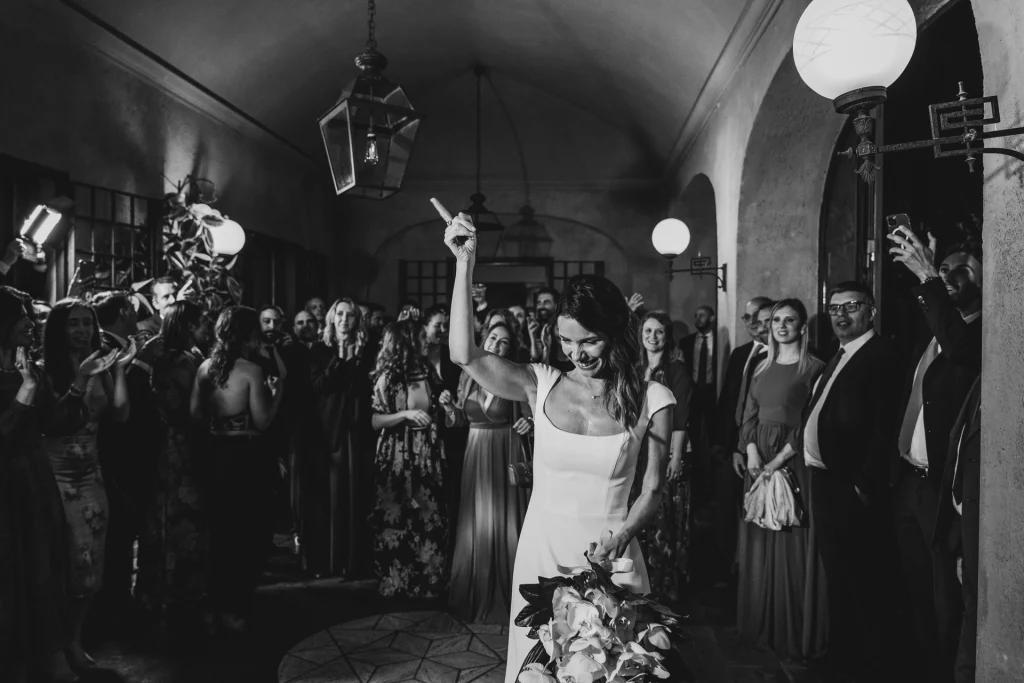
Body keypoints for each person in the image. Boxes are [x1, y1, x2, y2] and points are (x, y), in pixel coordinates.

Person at [442, 213, 675, 683]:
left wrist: (622, 536)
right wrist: (465, 263)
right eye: (566, 341)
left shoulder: (654, 398)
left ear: (615, 333)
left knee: (613, 669)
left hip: (612, 555)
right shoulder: (539, 383)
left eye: (590, 341)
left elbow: (653, 490)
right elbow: (463, 354)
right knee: (539, 670)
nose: (577, 353)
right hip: (542, 550)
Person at [887, 230, 982, 683]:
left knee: (946, 603)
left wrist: (927, 275)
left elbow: (962, 351)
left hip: (944, 492)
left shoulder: (980, 335)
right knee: (914, 598)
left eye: (962, 271)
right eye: (942, 269)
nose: (947, 277)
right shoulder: (931, 332)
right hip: (909, 482)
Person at [800, 282, 903, 681]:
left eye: (852, 306)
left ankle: (862, 668)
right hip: (826, 482)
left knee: (862, 582)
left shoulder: (880, 355)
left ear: (871, 311)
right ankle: (840, 660)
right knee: (838, 579)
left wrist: (863, 484)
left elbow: (884, 425)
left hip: (851, 487)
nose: (841, 315)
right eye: (834, 308)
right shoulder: (839, 354)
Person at [0, 286, 96, 682]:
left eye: (29, 313)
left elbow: (55, 424)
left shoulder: (31, 370)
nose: (29, 321)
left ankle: (47, 653)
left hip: (35, 478)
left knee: (43, 565)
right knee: (9, 570)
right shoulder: (24, 378)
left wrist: (82, 379)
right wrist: (24, 392)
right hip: (5, 482)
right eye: (20, 315)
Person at [41, 298, 131, 670]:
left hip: (92, 476)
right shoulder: (46, 369)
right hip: (56, 478)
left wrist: (118, 370)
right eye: (74, 323)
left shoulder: (100, 365)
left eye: (87, 323)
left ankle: (74, 639)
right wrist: (81, 378)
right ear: (59, 329)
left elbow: (120, 413)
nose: (82, 330)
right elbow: (55, 422)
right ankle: (57, 647)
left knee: (91, 564)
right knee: (61, 565)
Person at [736, 299, 827, 659]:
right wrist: (752, 452)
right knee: (760, 542)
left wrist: (777, 460)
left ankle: (790, 631)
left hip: (792, 461)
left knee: (790, 541)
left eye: (790, 320)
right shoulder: (760, 366)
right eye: (776, 320)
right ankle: (761, 623)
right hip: (758, 462)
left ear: (802, 327)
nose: (782, 326)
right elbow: (748, 414)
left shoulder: (815, 368)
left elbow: (809, 422)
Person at [190, 306, 286, 632]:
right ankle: (235, 607)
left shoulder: (205, 368)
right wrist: (277, 394)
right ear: (249, 335)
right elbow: (262, 420)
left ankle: (215, 605)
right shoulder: (251, 371)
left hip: (215, 453)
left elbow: (194, 414)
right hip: (246, 457)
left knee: (220, 533)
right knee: (248, 533)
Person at [441, 321, 532, 624]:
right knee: (476, 521)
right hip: (474, 450)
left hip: (504, 451)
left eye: (504, 341)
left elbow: (532, 414)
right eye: (493, 338)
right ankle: (474, 594)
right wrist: (449, 410)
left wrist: (529, 423)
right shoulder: (468, 374)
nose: (496, 344)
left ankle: (510, 595)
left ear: (510, 348)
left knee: (505, 522)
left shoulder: (515, 376)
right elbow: (459, 420)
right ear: (484, 340)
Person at [135, 300, 208, 632]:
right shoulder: (180, 361)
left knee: (169, 516)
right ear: (189, 325)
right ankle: (176, 593)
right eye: (202, 322)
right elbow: (191, 409)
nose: (207, 327)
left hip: (169, 445)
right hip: (180, 446)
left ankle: (161, 592)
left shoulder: (173, 357)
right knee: (178, 517)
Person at [92, 290, 164, 623]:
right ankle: (115, 606)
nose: (138, 315)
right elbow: (121, 404)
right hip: (120, 451)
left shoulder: (123, 344)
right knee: (119, 534)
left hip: (129, 451)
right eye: (133, 309)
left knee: (126, 531)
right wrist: (143, 363)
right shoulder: (107, 347)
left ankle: (122, 599)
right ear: (124, 312)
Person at [368, 319, 449, 598]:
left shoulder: (427, 371)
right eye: (421, 337)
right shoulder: (388, 377)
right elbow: (375, 420)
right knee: (397, 516)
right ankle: (396, 583)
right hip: (397, 455)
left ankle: (428, 582)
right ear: (408, 341)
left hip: (427, 453)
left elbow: (436, 405)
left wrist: (445, 402)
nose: (427, 340)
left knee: (429, 515)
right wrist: (405, 415)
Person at [306, 298, 374, 578]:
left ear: (357, 320)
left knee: (357, 494)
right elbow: (317, 387)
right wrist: (339, 359)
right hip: (329, 430)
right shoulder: (319, 350)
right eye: (340, 314)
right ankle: (329, 560)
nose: (345, 320)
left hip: (358, 430)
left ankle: (354, 561)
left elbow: (367, 390)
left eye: (350, 315)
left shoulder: (367, 350)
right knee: (329, 496)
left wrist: (355, 359)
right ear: (332, 319)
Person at [712, 296, 772, 577]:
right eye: (747, 318)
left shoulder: (778, 355)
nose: (752, 323)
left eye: (758, 317)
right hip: (732, 446)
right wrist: (722, 443)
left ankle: (755, 571)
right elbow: (728, 400)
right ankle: (728, 569)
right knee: (728, 511)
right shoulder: (740, 353)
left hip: (761, 446)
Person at [635, 310, 692, 601]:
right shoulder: (634, 368)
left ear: (667, 336)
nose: (653, 336)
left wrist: (676, 456)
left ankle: (664, 593)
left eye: (659, 331)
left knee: (665, 519)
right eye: (648, 331)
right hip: (637, 452)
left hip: (666, 449)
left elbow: (681, 418)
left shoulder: (676, 369)